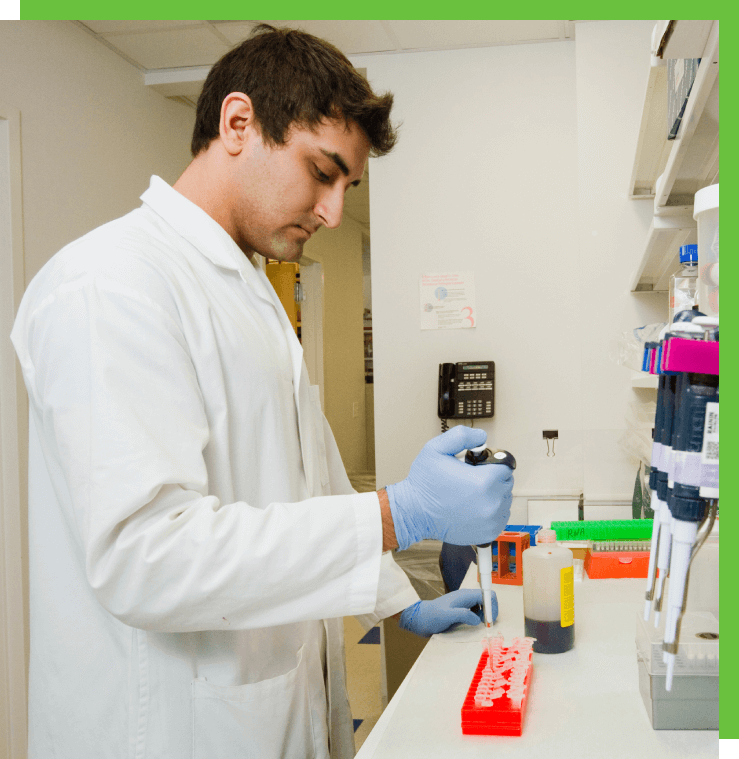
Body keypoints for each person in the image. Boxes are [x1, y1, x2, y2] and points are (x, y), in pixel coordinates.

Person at [11, 24, 513, 759]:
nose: (333, 211)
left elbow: (305, 485)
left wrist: (400, 599)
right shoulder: (110, 285)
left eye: (348, 186)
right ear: (238, 123)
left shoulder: (249, 294)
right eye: (322, 171)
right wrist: (394, 513)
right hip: (164, 732)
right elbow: (147, 557)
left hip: (269, 714)